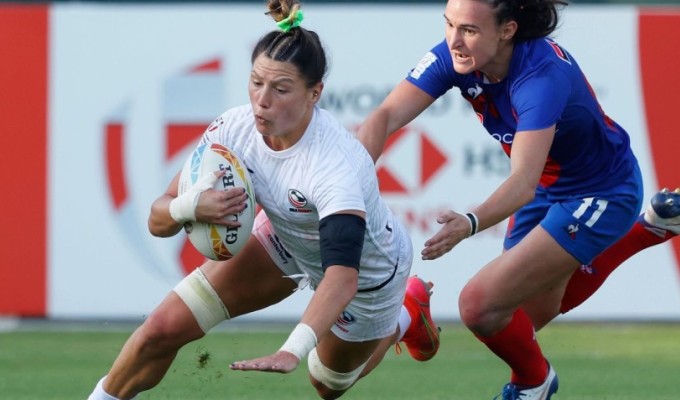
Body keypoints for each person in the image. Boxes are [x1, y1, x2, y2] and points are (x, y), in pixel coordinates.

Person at [86, 1, 440, 400]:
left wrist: (292, 349)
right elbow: (157, 219)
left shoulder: (333, 165)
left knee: (326, 382)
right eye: (256, 83)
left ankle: (406, 314)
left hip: (368, 279)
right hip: (287, 240)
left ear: (314, 93)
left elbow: (343, 277)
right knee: (161, 330)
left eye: (280, 89)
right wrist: (189, 207)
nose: (261, 100)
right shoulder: (233, 129)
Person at [356, 0, 679, 399]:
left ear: (507, 30)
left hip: (601, 192)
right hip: (546, 189)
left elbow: (522, 183)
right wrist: (348, 183)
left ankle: (533, 383)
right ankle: (648, 230)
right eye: (448, 24)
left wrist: (470, 222)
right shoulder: (456, 55)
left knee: (479, 306)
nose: (453, 40)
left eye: (469, 30)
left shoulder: (541, 77)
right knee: (515, 318)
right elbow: (384, 117)